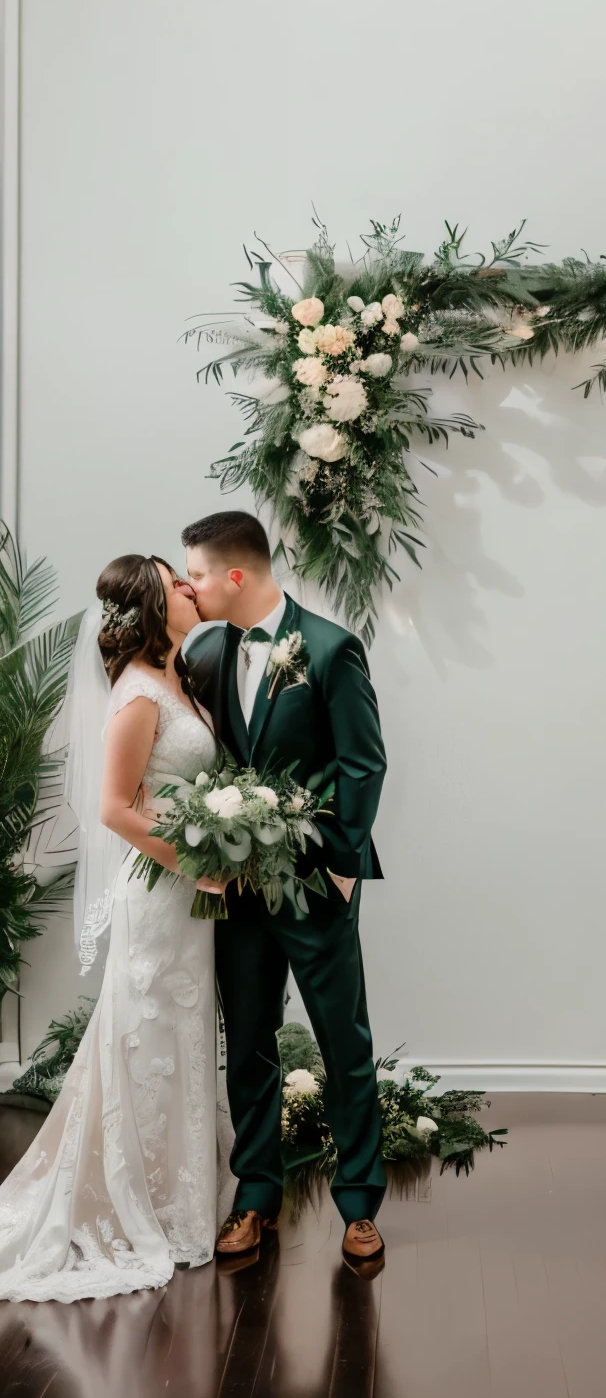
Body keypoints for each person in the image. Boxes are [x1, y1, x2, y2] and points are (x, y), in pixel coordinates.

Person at [0, 555, 226, 1302]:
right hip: (160, 896)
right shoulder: (137, 694)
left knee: (182, 1034)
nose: (193, 589)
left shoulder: (179, 681)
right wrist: (196, 865)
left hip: (186, 899)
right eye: (178, 584)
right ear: (155, 607)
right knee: (147, 1035)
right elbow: (114, 807)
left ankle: (183, 1191)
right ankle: (147, 1201)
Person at [182, 510, 387, 1278]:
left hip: (314, 885)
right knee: (251, 1043)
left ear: (235, 576)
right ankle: (256, 1194)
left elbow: (363, 764)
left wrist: (339, 861)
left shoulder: (331, 649)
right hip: (235, 887)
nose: (191, 587)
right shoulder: (205, 649)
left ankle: (360, 1204)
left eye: (197, 574)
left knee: (344, 1041)